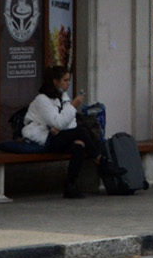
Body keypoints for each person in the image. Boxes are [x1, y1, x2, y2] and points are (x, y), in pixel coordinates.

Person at [22, 65, 107, 198]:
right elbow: (58, 122)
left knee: (79, 144)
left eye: (69, 80)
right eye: (65, 80)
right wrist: (73, 106)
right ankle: (99, 159)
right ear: (55, 81)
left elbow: (68, 123)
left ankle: (71, 185)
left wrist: (62, 121)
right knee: (82, 131)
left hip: (58, 135)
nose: (68, 83)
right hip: (44, 138)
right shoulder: (42, 100)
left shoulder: (62, 96)